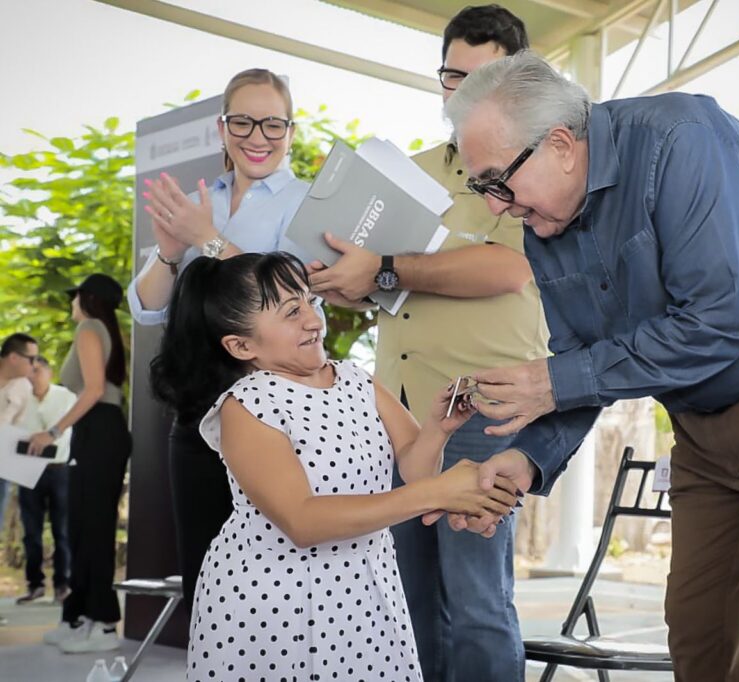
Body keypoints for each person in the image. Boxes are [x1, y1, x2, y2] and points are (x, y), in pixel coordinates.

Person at [444, 51, 739, 681]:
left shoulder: (680, 141)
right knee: (702, 632)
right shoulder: (542, 224)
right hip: (703, 415)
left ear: (560, 144)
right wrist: (523, 463)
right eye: (482, 188)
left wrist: (552, 383)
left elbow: (713, 322)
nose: (496, 206)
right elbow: (577, 365)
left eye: (498, 181)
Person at [308, 6, 546, 680]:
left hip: (484, 408)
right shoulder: (403, 171)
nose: (461, 91)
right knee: (406, 606)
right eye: (452, 75)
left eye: (483, 76)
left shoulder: (528, 169)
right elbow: (379, 283)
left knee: (477, 605)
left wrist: (384, 267)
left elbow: (509, 268)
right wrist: (345, 283)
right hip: (401, 413)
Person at [149, 251, 518, 681]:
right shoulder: (247, 405)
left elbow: (416, 469)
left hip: (364, 595)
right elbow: (303, 520)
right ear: (241, 345)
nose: (312, 320)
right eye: (291, 312)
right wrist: (437, 494)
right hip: (273, 607)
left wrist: (438, 429)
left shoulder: (357, 380)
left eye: (309, 301)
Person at [127, 67, 315, 610]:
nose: (258, 136)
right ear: (222, 127)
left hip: (269, 409)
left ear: (291, 131)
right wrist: (168, 249)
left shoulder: (307, 202)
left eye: (273, 124)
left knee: (267, 583)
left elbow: (284, 295)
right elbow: (146, 308)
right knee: (204, 579)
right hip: (194, 405)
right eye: (244, 121)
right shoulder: (198, 199)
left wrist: (205, 239)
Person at [30, 274, 132, 654]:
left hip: (100, 431)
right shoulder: (100, 328)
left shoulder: (90, 327)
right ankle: (81, 616)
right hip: (97, 432)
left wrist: (52, 431)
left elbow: (93, 389)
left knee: (94, 527)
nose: (71, 303)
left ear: (87, 300)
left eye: (75, 297)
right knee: (84, 526)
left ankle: (103, 625)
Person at [16, 355, 77, 605]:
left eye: (37, 371)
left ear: (49, 373)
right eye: (29, 372)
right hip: (28, 469)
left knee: (62, 530)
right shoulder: (19, 399)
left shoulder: (66, 396)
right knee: (31, 531)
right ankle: (35, 584)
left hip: (60, 469)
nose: (32, 376)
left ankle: (62, 585)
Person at [0, 333, 40, 587]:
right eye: (31, 358)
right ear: (13, 357)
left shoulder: (23, 387)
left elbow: (17, 428)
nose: (34, 365)